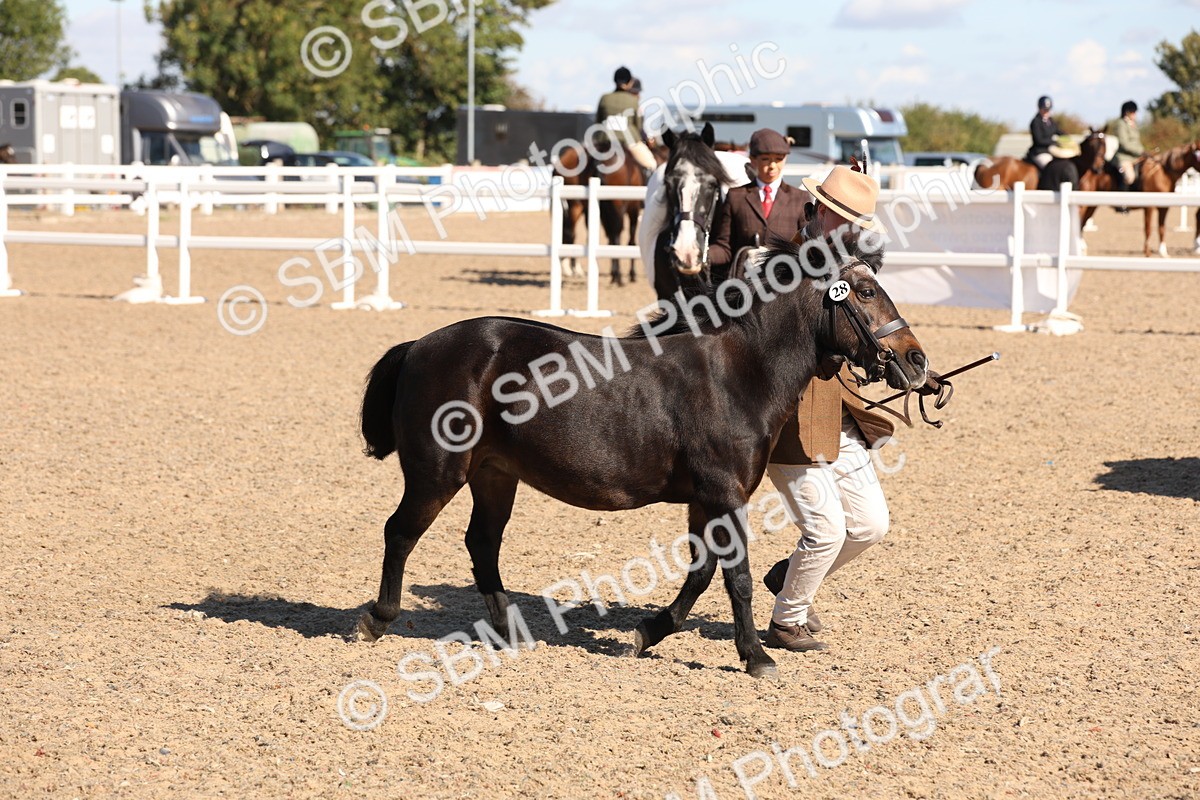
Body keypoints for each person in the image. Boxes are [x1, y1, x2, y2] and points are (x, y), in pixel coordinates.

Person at [759, 165, 900, 653]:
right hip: (787, 419)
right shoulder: (779, 264)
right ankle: (786, 621)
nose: (847, 230)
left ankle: (789, 578)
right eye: (840, 218)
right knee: (825, 531)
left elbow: (876, 329)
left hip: (839, 413)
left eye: (854, 222)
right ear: (817, 211)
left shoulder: (855, 270)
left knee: (870, 525)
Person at [708, 128, 804, 279]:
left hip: (784, 287)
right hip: (743, 286)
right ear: (753, 160)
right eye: (766, 159)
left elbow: (806, 247)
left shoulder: (800, 198)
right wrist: (701, 255)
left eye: (778, 159)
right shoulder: (735, 196)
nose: (772, 166)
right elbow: (724, 248)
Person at [595, 66, 657, 175]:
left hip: (604, 140)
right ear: (630, 82)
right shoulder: (633, 101)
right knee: (652, 164)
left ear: (614, 81)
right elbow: (638, 126)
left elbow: (598, 122)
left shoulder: (604, 98)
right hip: (629, 142)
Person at [1109, 100, 1145, 191]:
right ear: (1127, 112)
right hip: (1124, 157)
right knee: (1130, 177)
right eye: (1133, 112)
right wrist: (1140, 151)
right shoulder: (1121, 124)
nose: (1135, 114)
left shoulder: (1133, 125)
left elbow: (1136, 141)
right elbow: (1124, 143)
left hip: (1136, 157)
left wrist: (1143, 151)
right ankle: (1122, 203)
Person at [1027, 95, 1063, 169]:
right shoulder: (1035, 122)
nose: (1047, 112)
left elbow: (1058, 131)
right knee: (1050, 167)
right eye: (1044, 109)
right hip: (1040, 152)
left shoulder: (1051, 121)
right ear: (1040, 109)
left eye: (1048, 110)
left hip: (1051, 151)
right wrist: (1054, 142)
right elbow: (1039, 140)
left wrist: (1067, 137)